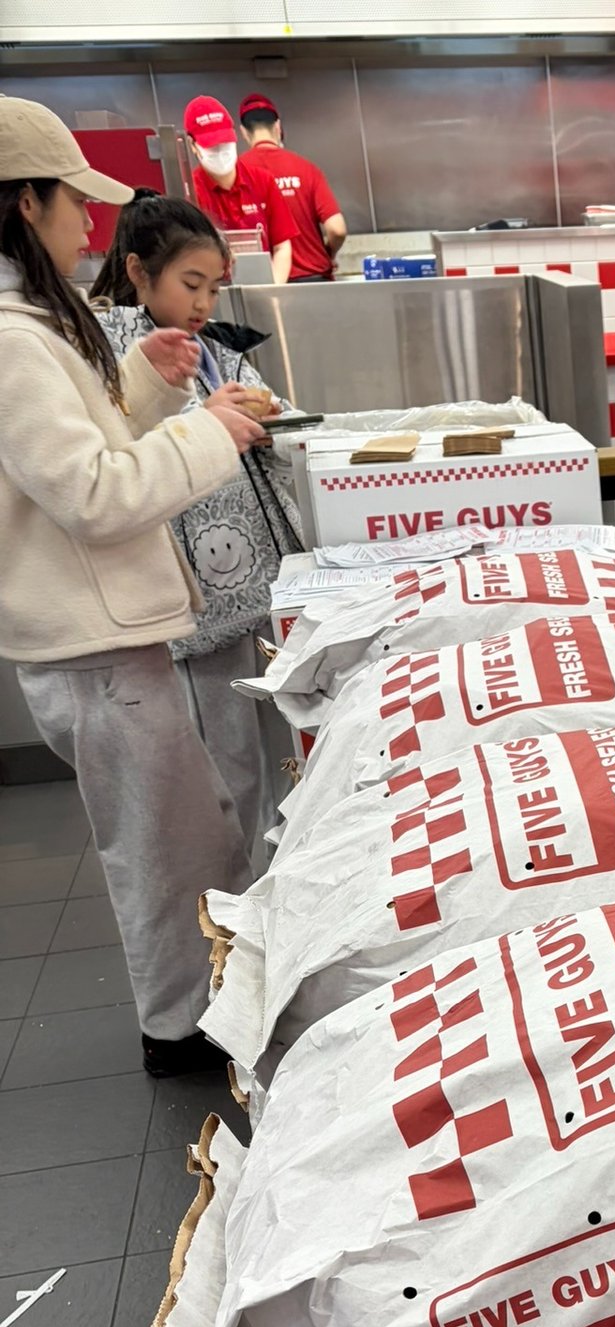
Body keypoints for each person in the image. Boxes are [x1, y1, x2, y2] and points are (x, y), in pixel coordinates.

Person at [0, 96, 267, 1077]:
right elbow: (92, 494)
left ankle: (203, 1010)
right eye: (74, 201)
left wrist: (146, 388)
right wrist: (208, 432)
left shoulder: (34, 325)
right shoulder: (12, 338)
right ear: (25, 203)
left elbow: (81, 452)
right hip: (96, 654)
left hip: (110, 644)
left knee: (196, 837)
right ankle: (180, 1035)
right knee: (167, 858)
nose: (90, 223)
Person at [91, 193, 300, 854]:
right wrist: (209, 420)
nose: (204, 302)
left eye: (213, 287)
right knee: (227, 772)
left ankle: (277, 878)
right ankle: (232, 895)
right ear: (138, 271)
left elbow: (281, 428)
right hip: (198, 608)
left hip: (264, 588)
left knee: (285, 758)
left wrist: (272, 423)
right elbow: (123, 454)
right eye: (190, 284)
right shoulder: (109, 352)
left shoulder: (219, 351)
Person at [183, 95, 294, 285]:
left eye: (225, 143)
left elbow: (282, 247)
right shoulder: (189, 193)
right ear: (193, 145)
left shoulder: (262, 181)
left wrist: (274, 289)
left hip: (265, 286)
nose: (221, 152)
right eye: (212, 147)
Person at [237, 91, 347, 283]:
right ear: (278, 127)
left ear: (244, 132)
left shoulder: (237, 173)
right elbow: (337, 229)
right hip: (314, 279)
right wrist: (328, 254)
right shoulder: (306, 168)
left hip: (266, 283)